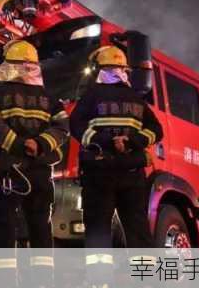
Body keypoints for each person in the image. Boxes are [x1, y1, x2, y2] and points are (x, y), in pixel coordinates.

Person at [69, 46, 163, 283]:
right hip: (132, 172)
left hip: (100, 173)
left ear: (100, 69)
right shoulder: (136, 99)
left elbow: (76, 125)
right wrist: (132, 141)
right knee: (138, 229)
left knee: (99, 229)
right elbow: (156, 130)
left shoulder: (91, 95)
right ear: (123, 70)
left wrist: (103, 140)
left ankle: (100, 282)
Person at [0, 40, 68, 288]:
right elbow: (62, 127)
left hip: (8, 168)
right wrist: (39, 144)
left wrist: (16, 144)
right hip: (40, 170)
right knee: (40, 227)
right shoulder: (50, 98)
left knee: (4, 224)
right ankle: (43, 282)